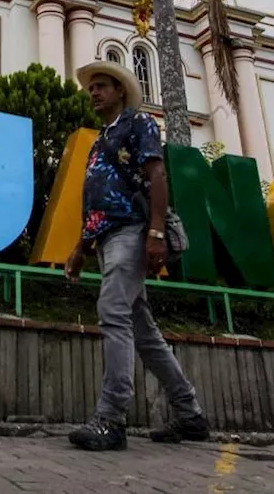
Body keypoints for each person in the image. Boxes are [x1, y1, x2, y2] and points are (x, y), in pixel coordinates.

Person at [64, 60, 209, 451]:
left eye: (101, 86)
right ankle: (189, 413)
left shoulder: (138, 124)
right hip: (106, 238)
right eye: (91, 87)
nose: (93, 93)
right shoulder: (99, 140)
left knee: (113, 312)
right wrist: (81, 248)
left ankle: (111, 419)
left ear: (120, 92)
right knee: (144, 334)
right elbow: (95, 200)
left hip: (131, 232)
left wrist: (156, 232)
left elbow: (157, 176)